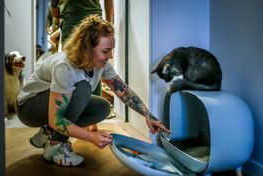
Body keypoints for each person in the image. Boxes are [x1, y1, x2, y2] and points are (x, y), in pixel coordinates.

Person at [16, 15, 170, 167]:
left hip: (48, 106)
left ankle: (48, 133)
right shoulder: (66, 68)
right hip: (28, 107)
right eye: (106, 51)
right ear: (87, 49)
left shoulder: (100, 64)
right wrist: (90, 136)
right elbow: (56, 119)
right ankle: (55, 146)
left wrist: (147, 115)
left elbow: (122, 91)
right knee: (82, 89)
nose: (110, 56)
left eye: (111, 50)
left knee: (102, 107)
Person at [51, 0, 115, 131]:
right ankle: (88, 119)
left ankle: (78, 117)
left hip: (73, 15)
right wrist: (108, 23)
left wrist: (54, 10)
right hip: (90, 14)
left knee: (76, 68)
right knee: (86, 67)